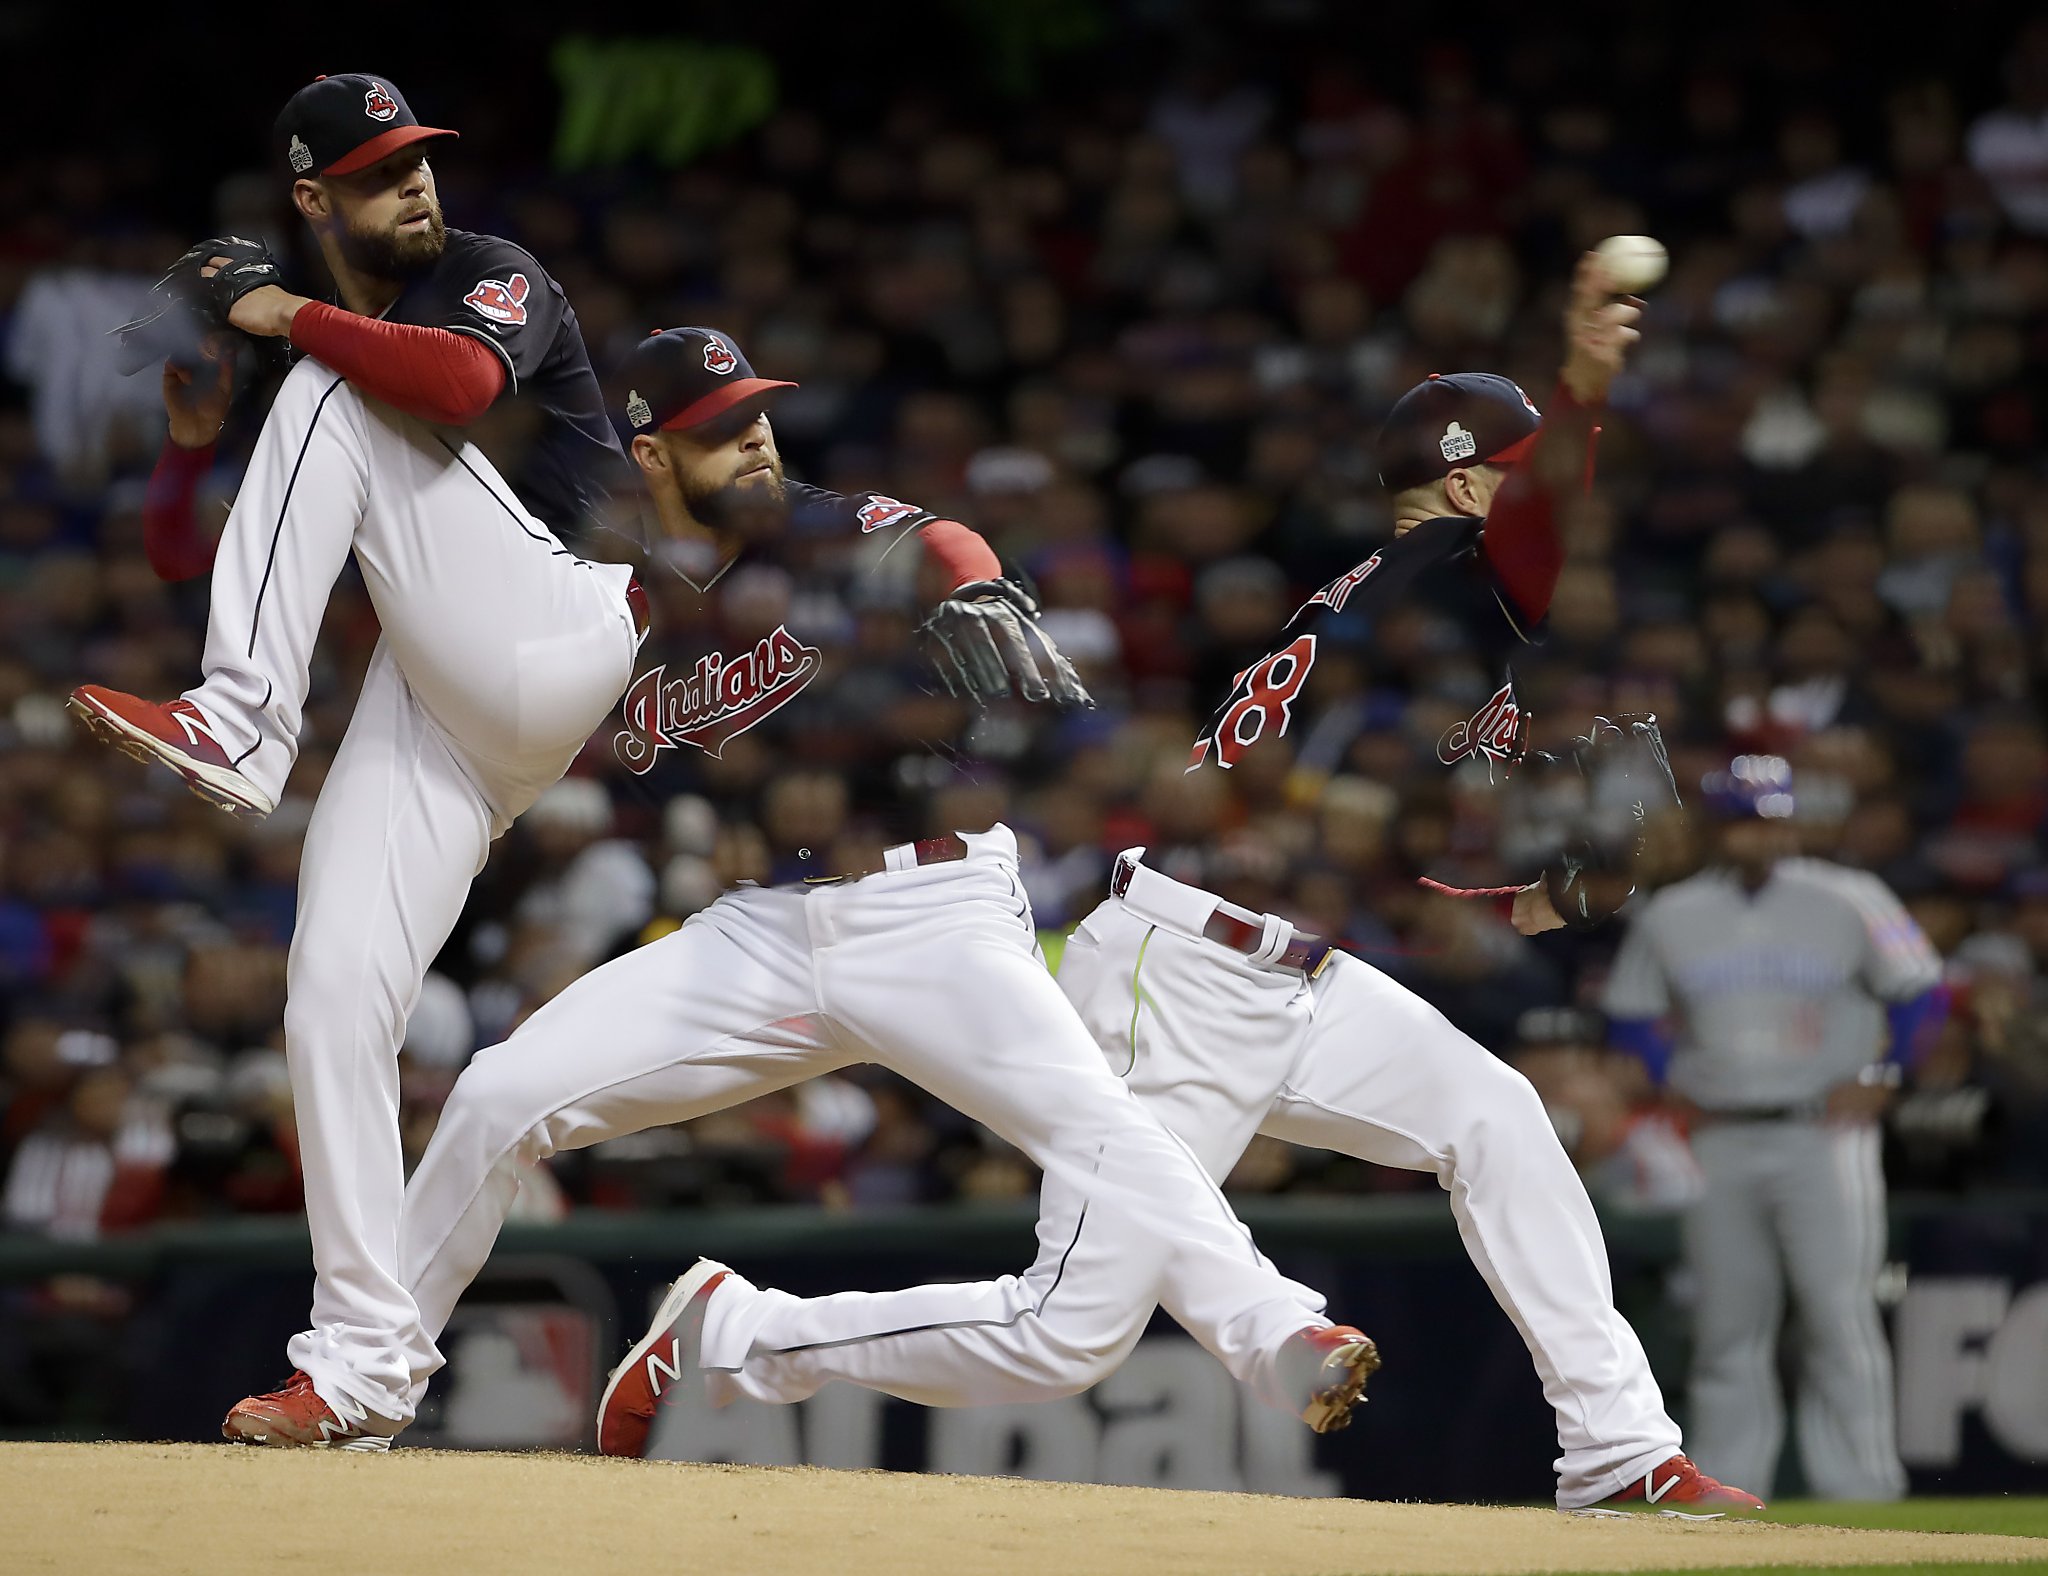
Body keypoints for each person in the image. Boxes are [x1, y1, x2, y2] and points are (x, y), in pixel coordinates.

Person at [608, 255, 1764, 1515]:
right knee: (1065, 1333)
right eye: (1517, 469)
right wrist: (1585, 390)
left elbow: (1379, 827)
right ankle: (730, 1332)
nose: (1535, 498)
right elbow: (1539, 531)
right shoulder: (1444, 570)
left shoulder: (1401, 612)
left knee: (1496, 1119)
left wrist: (1515, 897)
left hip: (1288, 959)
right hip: (1190, 965)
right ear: (1463, 477)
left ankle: (1615, 1453)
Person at [376, 325, 1381, 1454]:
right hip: (759, 927)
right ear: (652, 454)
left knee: (1092, 1124)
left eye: (755, 418)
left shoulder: (816, 529)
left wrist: (979, 586)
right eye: (717, 431)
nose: (751, 444)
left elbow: (937, 535)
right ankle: (369, 1373)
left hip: (928, 911)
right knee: (499, 1092)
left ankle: (1278, 1328)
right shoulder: (617, 595)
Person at [65, 73, 645, 1447]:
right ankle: (361, 1369)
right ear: (315, 198)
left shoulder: (494, 277)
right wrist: (186, 452)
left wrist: (270, 315)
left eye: (422, 161)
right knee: (329, 1001)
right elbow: (174, 559)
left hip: (561, 620)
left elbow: (450, 378)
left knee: (335, 377)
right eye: (381, 173)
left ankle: (240, 721)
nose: (419, 187)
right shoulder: (339, 359)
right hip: (446, 697)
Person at [1603, 756, 1943, 1501]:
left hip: (1823, 1132)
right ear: (1716, 829)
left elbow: (1923, 990)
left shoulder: (1854, 895)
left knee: (1837, 1312)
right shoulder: (1673, 911)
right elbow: (1630, 1014)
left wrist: (1887, 1077)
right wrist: (1666, 1079)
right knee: (1730, 1323)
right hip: (1719, 1134)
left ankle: (1865, 1490)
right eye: (1740, 823)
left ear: (1789, 821)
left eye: (1767, 821)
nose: (1756, 838)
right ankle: (1733, 1486)